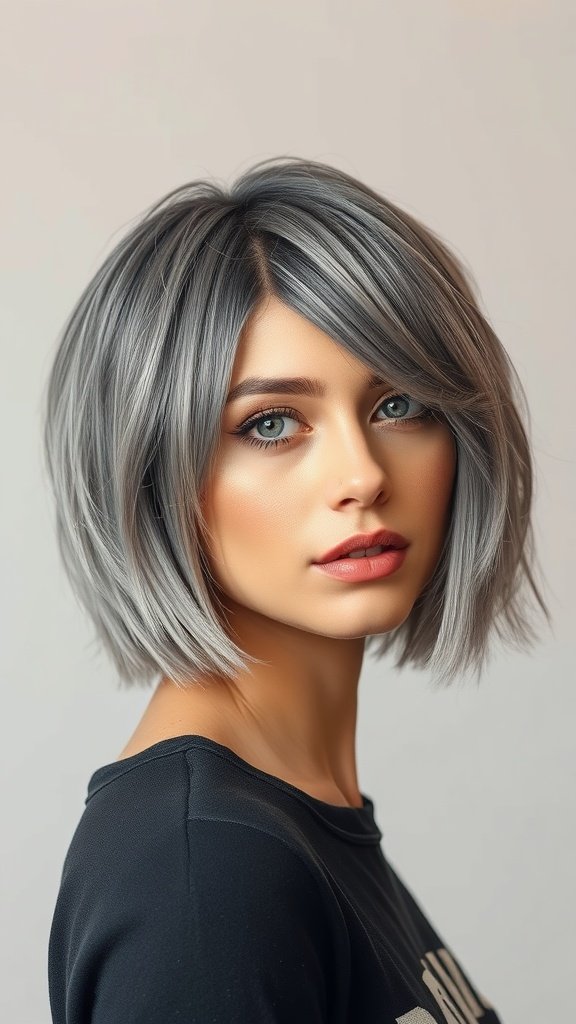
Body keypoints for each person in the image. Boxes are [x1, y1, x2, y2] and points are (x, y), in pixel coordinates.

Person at [43, 156, 550, 1023]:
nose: (362, 474)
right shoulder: (203, 874)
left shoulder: (290, 822)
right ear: (152, 472)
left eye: (399, 405)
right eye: (272, 423)